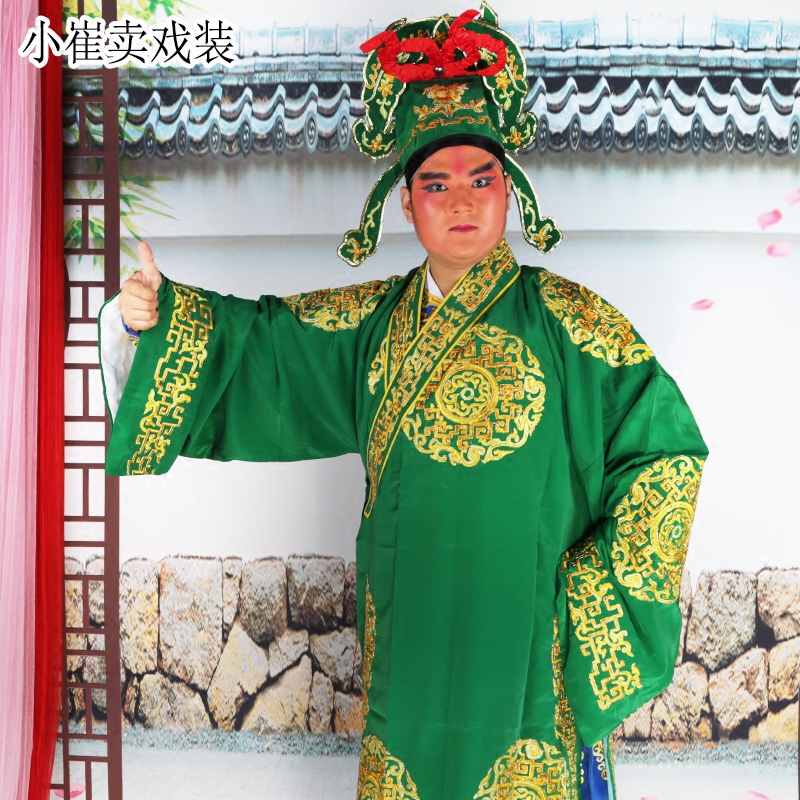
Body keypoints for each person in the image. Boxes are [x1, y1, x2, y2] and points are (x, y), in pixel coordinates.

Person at [100, 6, 707, 799]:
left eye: (482, 179)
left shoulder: (573, 324)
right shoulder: (372, 327)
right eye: (436, 184)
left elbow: (665, 450)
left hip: (527, 640)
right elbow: (264, 351)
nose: (462, 202)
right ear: (404, 200)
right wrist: (147, 322)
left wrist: (583, 602)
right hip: (411, 638)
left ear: (511, 190)